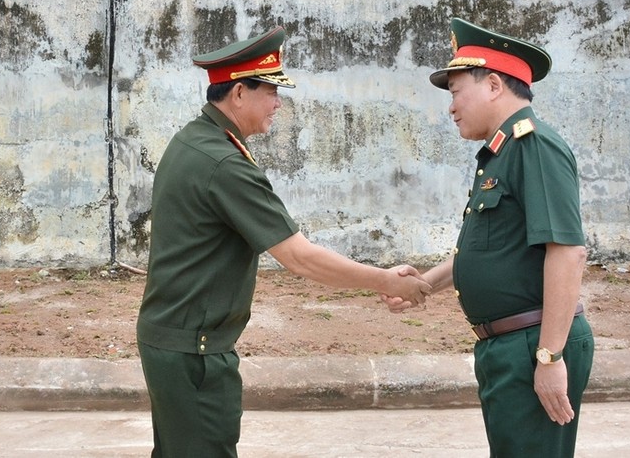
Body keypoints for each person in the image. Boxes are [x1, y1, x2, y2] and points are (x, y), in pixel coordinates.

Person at [136, 25, 431, 458]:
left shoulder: (195, 140)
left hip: (177, 344)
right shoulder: (224, 164)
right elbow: (300, 257)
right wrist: (386, 280)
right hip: (193, 355)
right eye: (270, 91)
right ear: (238, 93)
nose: (278, 103)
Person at [385, 18, 594, 457]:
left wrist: (549, 358)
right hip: (509, 346)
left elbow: (567, 251)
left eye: (457, 92)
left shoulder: (534, 146)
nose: (451, 106)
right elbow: (493, 248)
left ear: (494, 84)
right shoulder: (502, 154)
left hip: (531, 344)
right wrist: (426, 285)